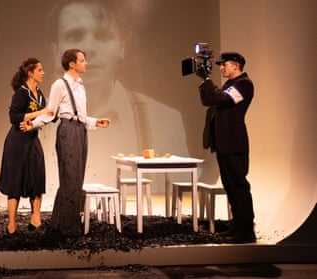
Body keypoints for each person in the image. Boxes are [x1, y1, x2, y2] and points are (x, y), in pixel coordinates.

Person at [42, 0, 191, 192]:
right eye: (75, 35)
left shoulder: (166, 120)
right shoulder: (45, 117)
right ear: (56, 52)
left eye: (102, 35)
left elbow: (182, 187)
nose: (88, 48)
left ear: (122, 47)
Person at [22, 49, 111, 236]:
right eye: (82, 60)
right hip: (68, 132)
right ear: (72, 63)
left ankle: (57, 223)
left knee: (75, 179)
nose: (86, 63)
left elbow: (80, 115)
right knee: (70, 178)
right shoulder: (59, 85)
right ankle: (69, 229)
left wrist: (95, 122)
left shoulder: (81, 86)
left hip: (80, 130)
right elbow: (51, 112)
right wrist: (34, 125)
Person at [197, 52, 256, 243]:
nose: (221, 68)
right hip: (224, 143)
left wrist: (207, 79)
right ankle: (237, 227)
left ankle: (246, 231)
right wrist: (203, 81)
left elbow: (222, 100)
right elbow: (209, 101)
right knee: (230, 186)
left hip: (234, 142)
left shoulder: (244, 84)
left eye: (224, 65)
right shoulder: (230, 85)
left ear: (236, 65)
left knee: (238, 186)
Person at [0, 58, 51, 235]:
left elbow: (48, 114)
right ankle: (11, 223)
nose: (43, 73)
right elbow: (14, 117)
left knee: (38, 176)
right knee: (15, 181)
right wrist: (39, 113)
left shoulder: (40, 93)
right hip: (18, 142)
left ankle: (36, 216)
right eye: (40, 70)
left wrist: (47, 115)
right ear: (30, 73)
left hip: (33, 140)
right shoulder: (21, 92)